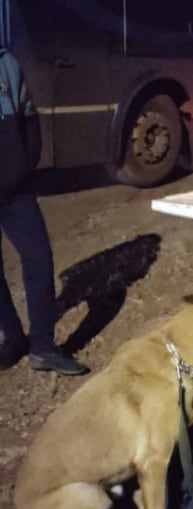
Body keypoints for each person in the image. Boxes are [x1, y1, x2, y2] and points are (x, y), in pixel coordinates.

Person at [0, 47, 88, 375]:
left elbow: (27, 113)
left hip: (16, 189)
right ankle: (13, 337)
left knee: (38, 257)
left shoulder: (5, 62)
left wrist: (26, 164)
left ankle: (43, 347)